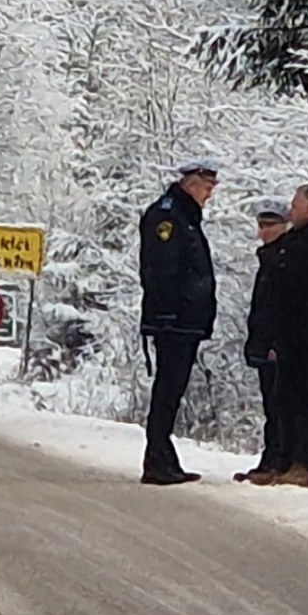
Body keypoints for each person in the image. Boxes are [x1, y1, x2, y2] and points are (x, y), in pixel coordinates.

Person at [137, 157, 220, 485]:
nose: (210, 194)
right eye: (207, 186)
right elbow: (162, 269)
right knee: (168, 388)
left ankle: (162, 455)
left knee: (173, 388)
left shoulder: (185, 216)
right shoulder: (168, 216)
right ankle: (157, 458)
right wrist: (167, 314)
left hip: (185, 320)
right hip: (173, 320)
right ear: (192, 183)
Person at [251, 184, 308, 488]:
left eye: (295, 206)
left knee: (302, 398)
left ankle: (301, 462)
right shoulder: (301, 238)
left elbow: (293, 281)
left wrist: (271, 258)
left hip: (306, 332)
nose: (290, 211)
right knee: (284, 397)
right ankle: (283, 460)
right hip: (293, 331)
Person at [237, 196, 290, 482]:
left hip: (277, 345)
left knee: (279, 405)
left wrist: (275, 343)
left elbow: (281, 307)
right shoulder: (269, 258)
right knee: (271, 404)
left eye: (270, 225)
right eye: (261, 225)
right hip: (265, 342)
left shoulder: (284, 259)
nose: (264, 231)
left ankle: (277, 461)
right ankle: (271, 458)